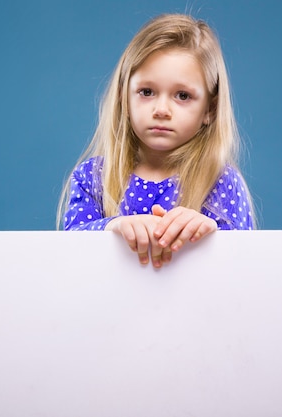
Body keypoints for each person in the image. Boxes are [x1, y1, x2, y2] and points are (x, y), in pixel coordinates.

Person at [57, 14, 255, 268]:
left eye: (182, 95)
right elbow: (69, 253)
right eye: (147, 92)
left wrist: (210, 235)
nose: (162, 109)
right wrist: (114, 227)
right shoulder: (92, 178)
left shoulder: (220, 181)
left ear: (210, 110)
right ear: (124, 100)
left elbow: (243, 267)